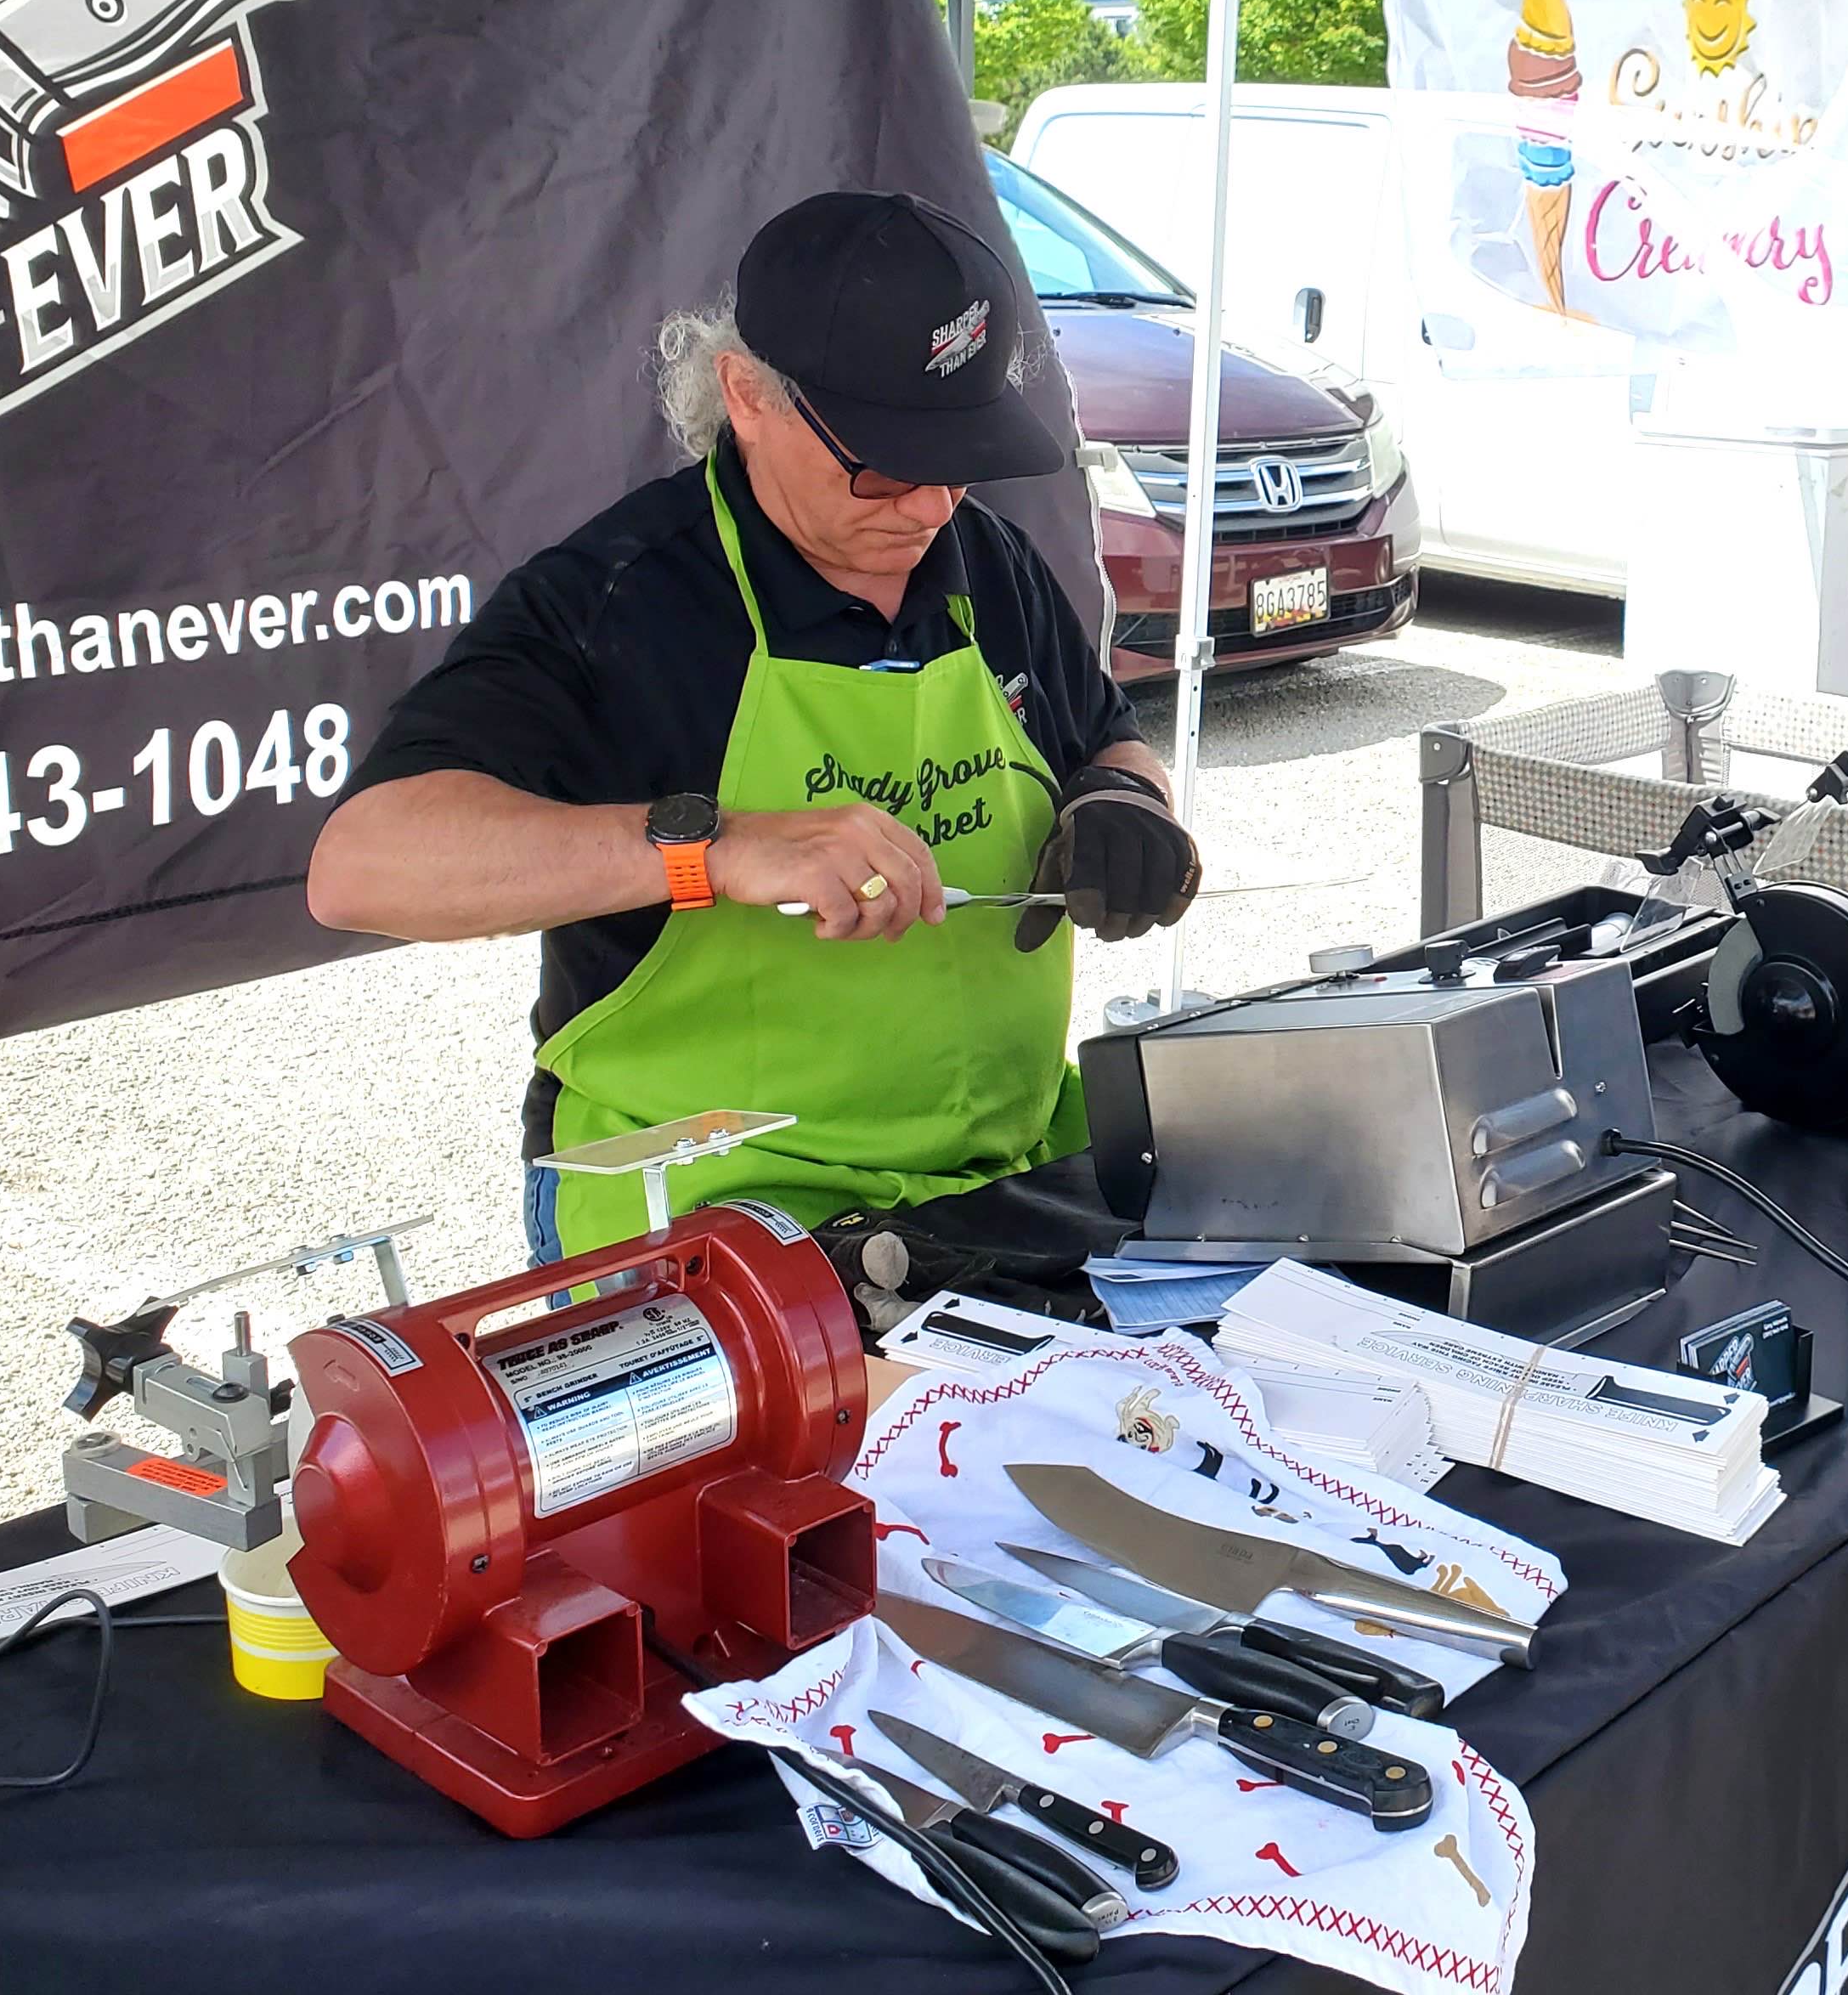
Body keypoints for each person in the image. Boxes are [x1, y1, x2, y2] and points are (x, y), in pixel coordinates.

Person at [307, 189, 1196, 1292]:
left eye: (957, 456)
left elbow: (1104, 739)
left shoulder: (989, 563)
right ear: (747, 395)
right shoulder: (618, 600)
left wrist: (1127, 805)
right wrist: (714, 845)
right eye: (880, 462)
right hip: (709, 1228)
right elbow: (367, 865)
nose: (927, 507)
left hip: (998, 1186)